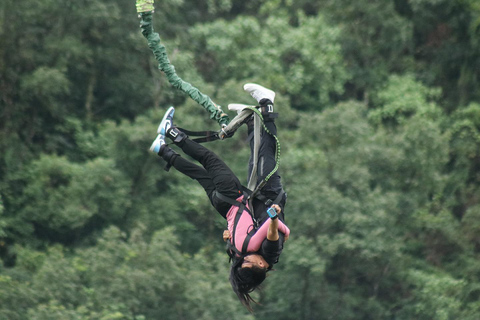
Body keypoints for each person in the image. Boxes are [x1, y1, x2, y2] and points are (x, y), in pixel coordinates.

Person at [149, 83, 290, 311]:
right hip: (243, 199)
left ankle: (266, 103)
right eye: (251, 262)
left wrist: (275, 220)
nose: (248, 259)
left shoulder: (256, 252)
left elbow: (276, 231)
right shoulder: (247, 253)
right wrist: (270, 221)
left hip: (250, 196)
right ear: (260, 267)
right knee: (248, 158)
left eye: (245, 262)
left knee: (252, 154)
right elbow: (262, 236)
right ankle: (163, 149)